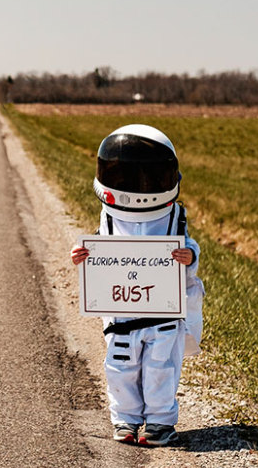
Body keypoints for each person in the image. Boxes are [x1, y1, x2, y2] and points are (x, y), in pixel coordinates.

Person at [70, 124, 204, 447]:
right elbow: (102, 250)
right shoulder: (111, 217)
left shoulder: (173, 216)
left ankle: (160, 421)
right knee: (120, 365)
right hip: (123, 313)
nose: (139, 183)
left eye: (147, 176)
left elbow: (190, 247)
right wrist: (83, 256)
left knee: (161, 366)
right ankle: (126, 419)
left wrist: (190, 256)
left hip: (163, 313)